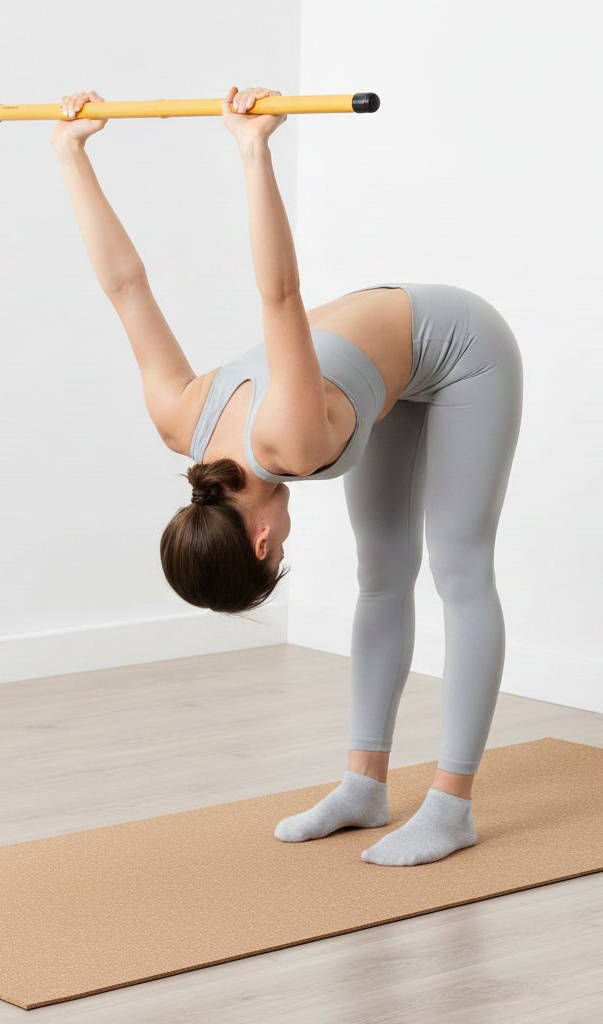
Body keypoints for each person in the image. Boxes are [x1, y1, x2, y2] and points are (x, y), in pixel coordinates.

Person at [52, 86, 524, 865]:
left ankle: (451, 806)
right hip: (391, 363)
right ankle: (364, 786)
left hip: (463, 348)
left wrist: (254, 149)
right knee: (383, 573)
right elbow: (125, 289)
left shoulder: (290, 442)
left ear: (263, 540)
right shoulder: (181, 422)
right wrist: (71, 153)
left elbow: (279, 295)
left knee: (460, 569)